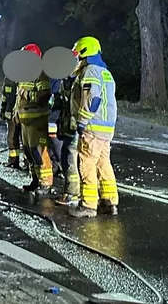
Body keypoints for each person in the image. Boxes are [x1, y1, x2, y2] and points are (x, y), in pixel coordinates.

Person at [71, 36, 119, 216]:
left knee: (87, 164)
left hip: (92, 126)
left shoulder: (90, 71)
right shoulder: (105, 72)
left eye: (77, 53)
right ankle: (110, 201)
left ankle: (88, 205)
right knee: (103, 163)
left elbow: (93, 98)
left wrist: (82, 121)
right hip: (106, 128)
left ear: (84, 52)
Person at [15, 44, 53, 193]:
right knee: (29, 152)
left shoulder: (40, 73)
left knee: (39, 151)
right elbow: (19, 98)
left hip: (37, 122)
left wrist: (27, 95)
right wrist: (15, 114)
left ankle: (45, 183)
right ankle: (35, 179)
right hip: (25, 122)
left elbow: (44, 95)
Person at [52, 66, 80, 205]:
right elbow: (63, 103)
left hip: (75, 126)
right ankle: (71, 192)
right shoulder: (66, 81)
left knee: (70, 158)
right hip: (67, 126)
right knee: (65, 156)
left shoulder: (79, 80)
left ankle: (73, 194)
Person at [3, 79, 23, 169]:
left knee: (25, 139)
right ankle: (13, 160)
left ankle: (28, 162)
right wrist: (3, 110)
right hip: (11, 114)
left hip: (23, 114)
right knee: (12, 138)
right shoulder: (8, 80)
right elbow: (4, 97)